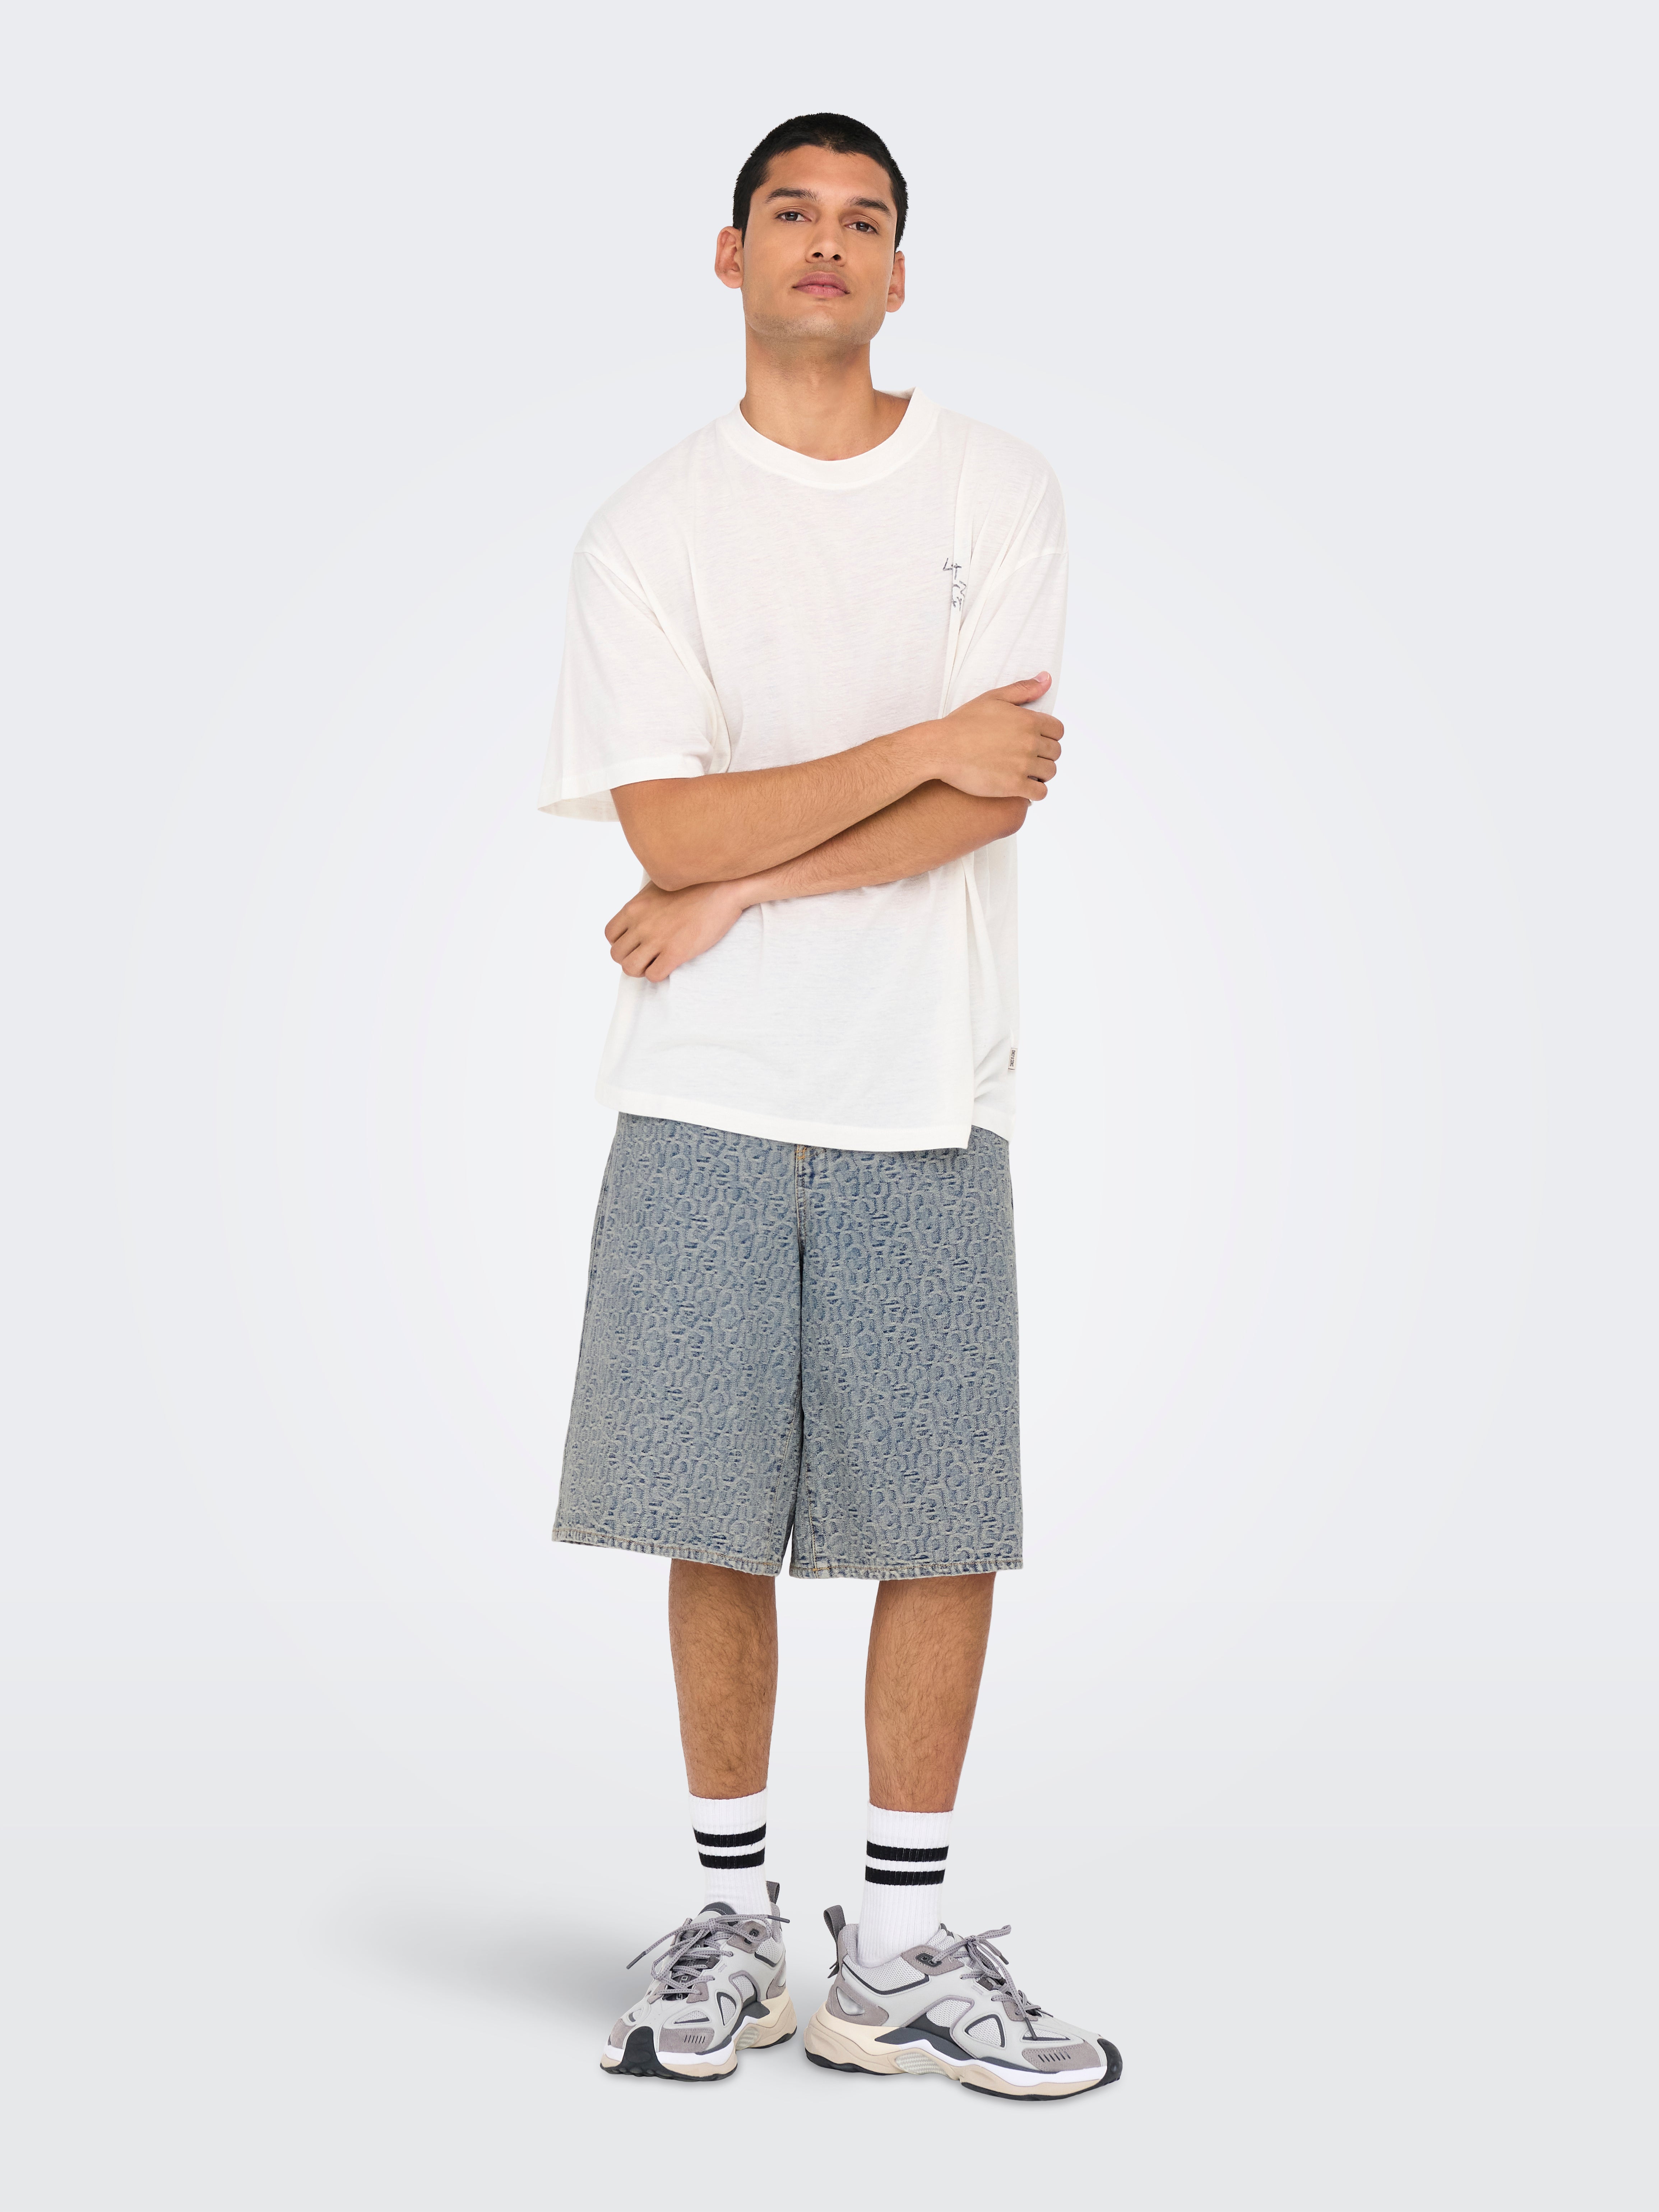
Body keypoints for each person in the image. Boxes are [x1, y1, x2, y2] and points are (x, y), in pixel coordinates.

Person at [539, 112, 1121, 2100]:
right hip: (703, 1090)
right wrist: (892, 756)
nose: (828, 240)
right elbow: (667, 824)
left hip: (930, 1084)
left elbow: (991, 796)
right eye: (791, 211)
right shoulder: (649, 531)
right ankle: (731, 1921)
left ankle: (896, 1957)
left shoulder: (996, 487)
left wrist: (741, 886)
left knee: (937, 1519)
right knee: (707, 1511)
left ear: (899, 272)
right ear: (730, 255)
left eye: (866, 219)